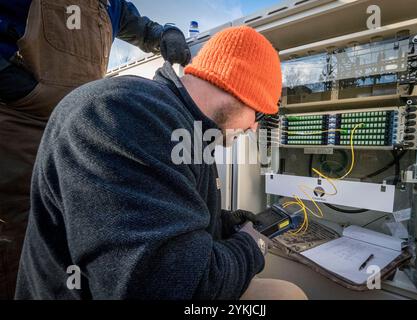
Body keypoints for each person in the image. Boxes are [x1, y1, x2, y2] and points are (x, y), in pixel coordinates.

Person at [15, 26, 307, 300]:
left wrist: (225, 224)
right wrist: (252, 245)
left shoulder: (182, 128)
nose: (255, 129)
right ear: (239, 90)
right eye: (259, 116)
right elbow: (170, 288)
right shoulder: (124, 113)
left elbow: (166, 213)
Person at [0, 0, 191, 299]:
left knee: (78, 229)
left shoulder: (113, 4)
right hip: (24, 122)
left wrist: (165, 34)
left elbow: (140, 26)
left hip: (80, 128)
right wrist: (20, 89)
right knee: (23, 237)